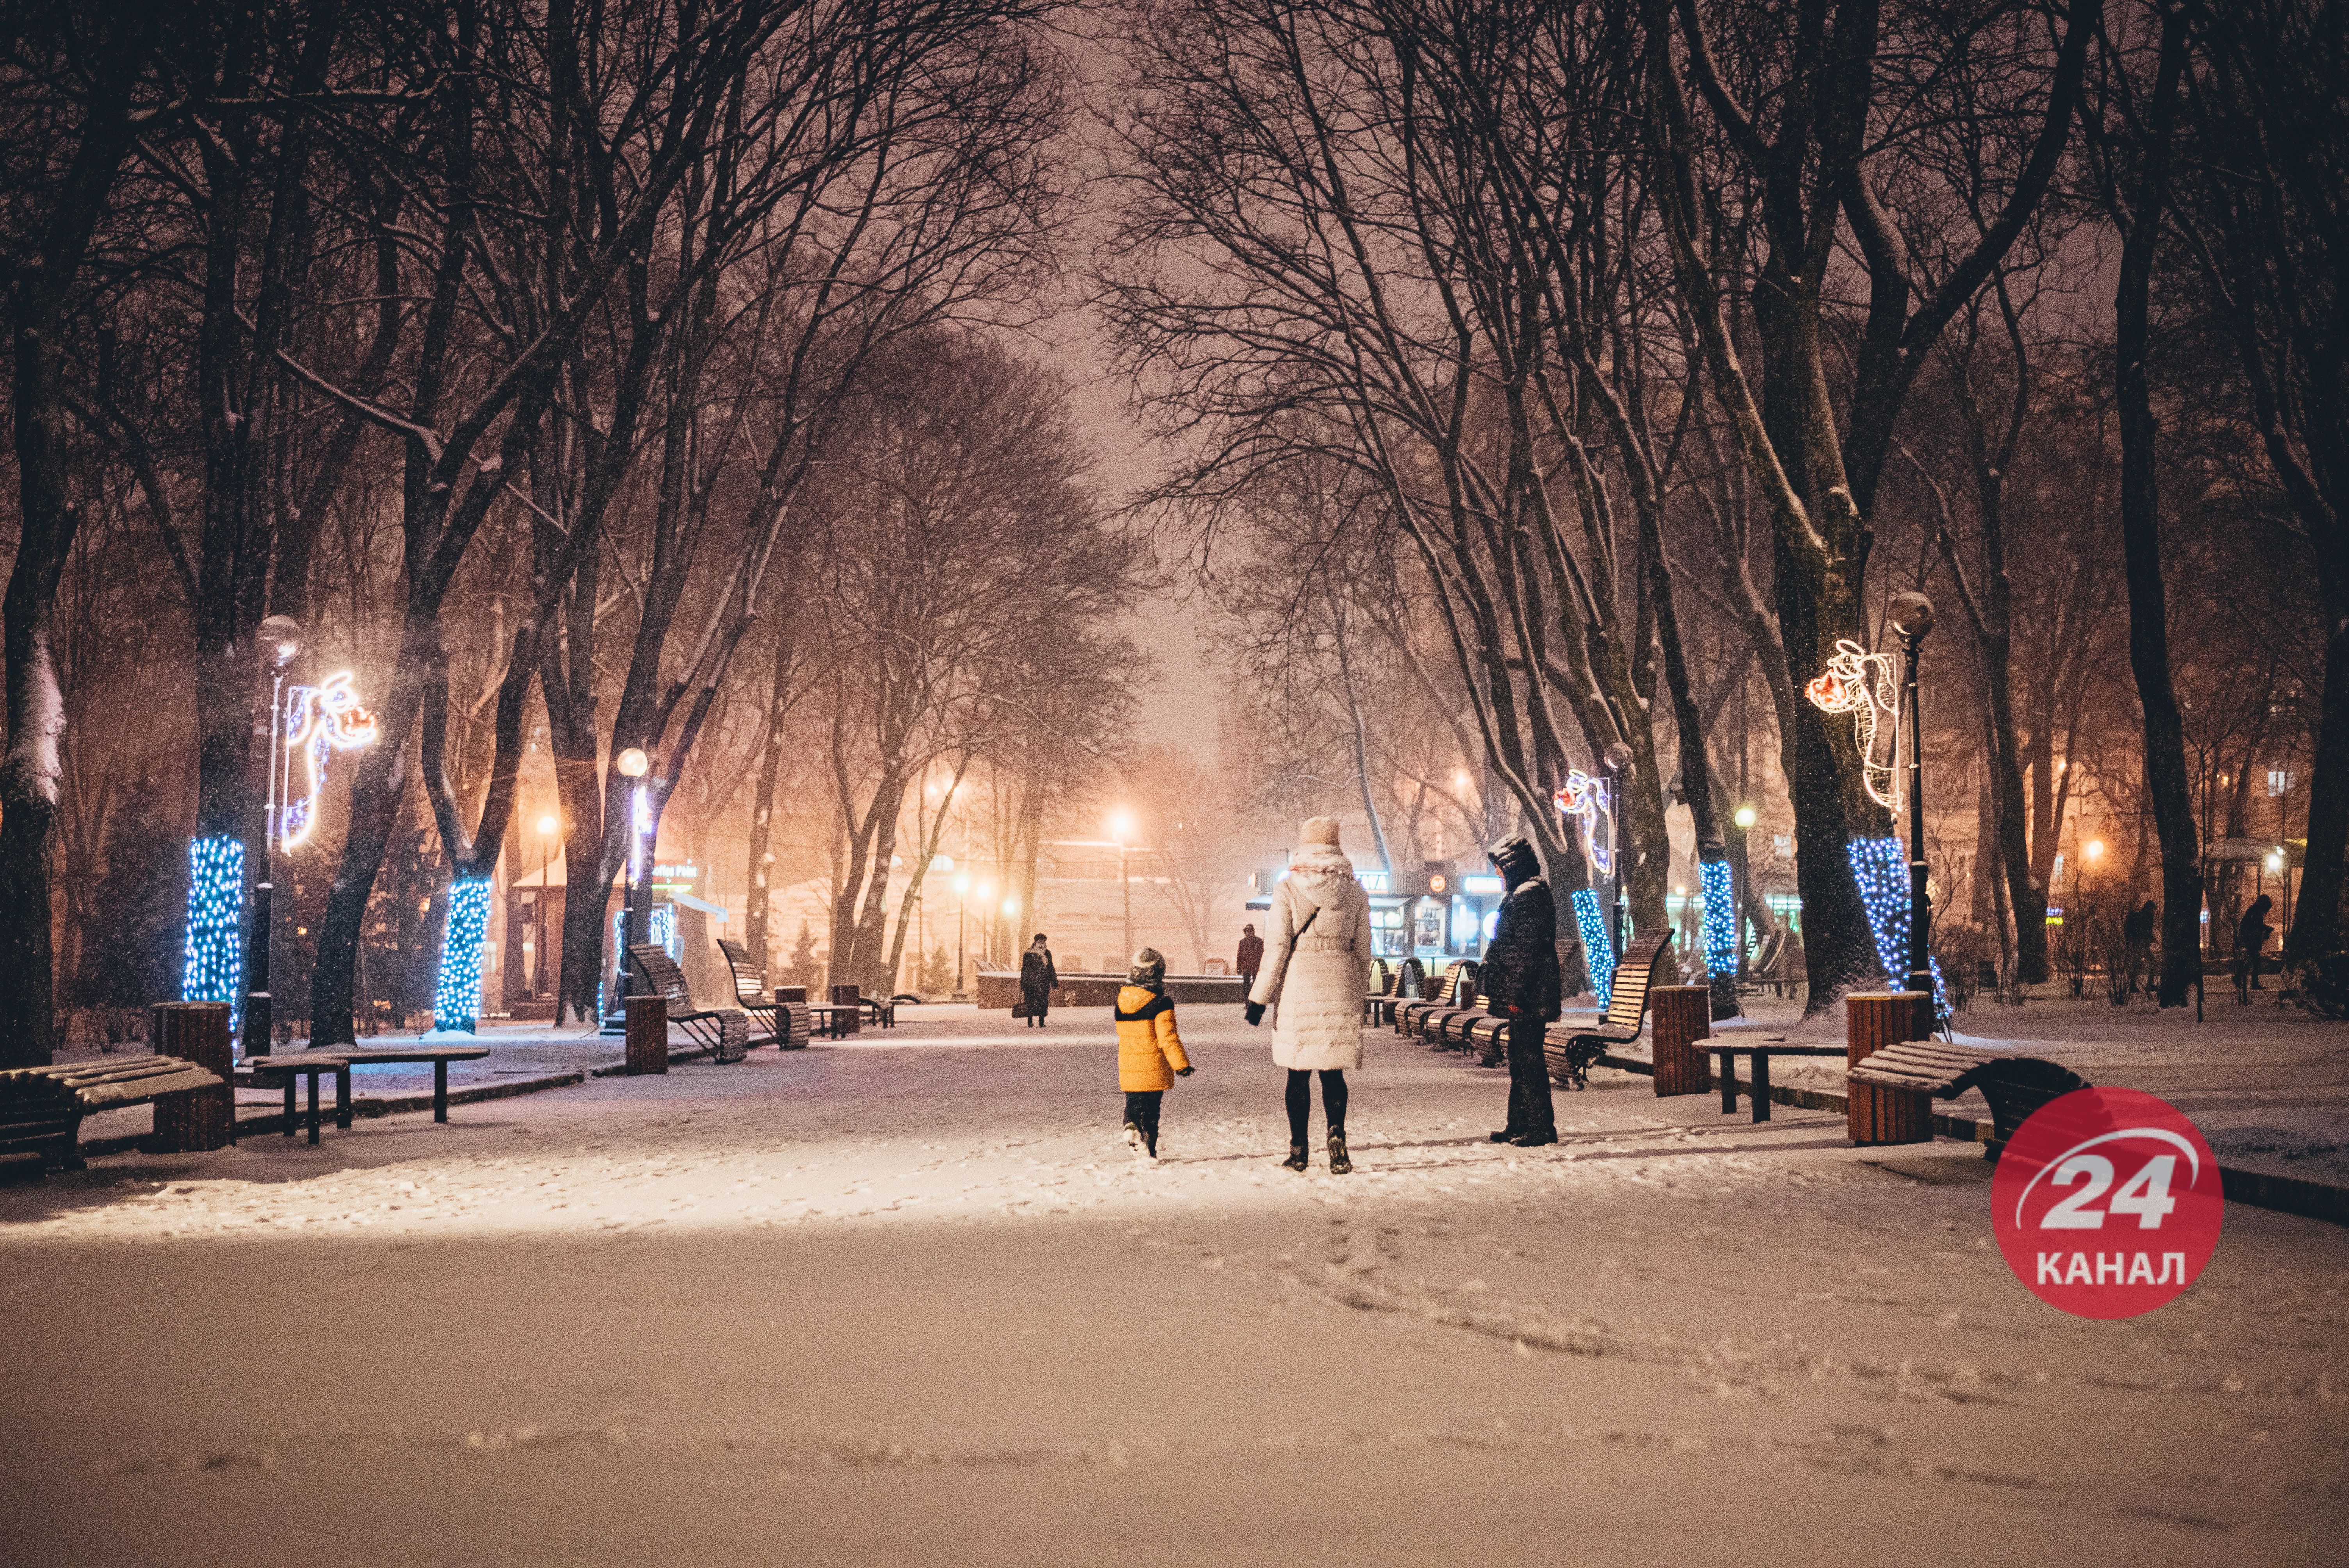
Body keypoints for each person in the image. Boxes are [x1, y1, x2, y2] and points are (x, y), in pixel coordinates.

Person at [1245, 816, 1369, 1174]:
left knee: (1297, 1075)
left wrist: (1259, 999)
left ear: (1304, 844)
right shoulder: (1356, 892)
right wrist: (1356, 996)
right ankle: (1337, 1135)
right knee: (1333, 1074)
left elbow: (1278, 948)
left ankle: (1299, 1150)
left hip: (1301, 986)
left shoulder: (1287, 889)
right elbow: (1364, 952)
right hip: (1341, 983)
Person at [1481, 836, 1562, 1147]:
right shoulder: (1523, 894)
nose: (1498, 874)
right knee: (1520, 1058)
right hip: (1527, 993)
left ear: (1514, 867)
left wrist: (1516, 997)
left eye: (1501, 868)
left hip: (1529, 995)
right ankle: (1519, 1123)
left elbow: (1525, 953)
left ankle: (1541, 1127)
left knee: (1529, 1060)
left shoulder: (1530, 896)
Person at [1114, 946, 1192, 1160]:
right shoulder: (1162, 1003)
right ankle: (1150, 1148)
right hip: (1154, 1067)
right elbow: (1168, 1038)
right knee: (1151, 1112)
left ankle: (1130, 1125)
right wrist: (1181, 1065)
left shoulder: (1121, 1003)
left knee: (1133, 1102)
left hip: (1130, 1065)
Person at [2234, 894, 2274, 1003]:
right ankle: (2251, 982)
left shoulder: (2254, 910)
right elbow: (2257, 926)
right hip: (2250, 938)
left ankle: (2240, 977)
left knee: (2252, 960)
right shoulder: (2256, 912)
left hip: (2249, 938)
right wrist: (2267, 928)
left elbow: (2255, 925)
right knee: (2255, 961)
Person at [1018, 932, 1058, 1028]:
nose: (1042, 943)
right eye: (1040, 941)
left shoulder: (1047, 953)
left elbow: (1050, 967)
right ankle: (1030, 1020)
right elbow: (1025, 968)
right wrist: (1024, 981)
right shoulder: (1028, 953)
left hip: (1044, 982)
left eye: (1043, 941)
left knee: (1043, 1002)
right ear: (1036, 942)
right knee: (1030, 1001)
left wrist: (1054, 980)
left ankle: (1042, 1021)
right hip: (1031, 982)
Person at [2122, 900, 2157, 995]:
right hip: (2142, 945)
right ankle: (2148, 984)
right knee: (2150, 964)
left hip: (2139, 944)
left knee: (2137, 965)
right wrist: (2149, 938)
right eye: (2153, 909)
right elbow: (2145, 931)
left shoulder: (2143, 917)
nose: (2154, 912)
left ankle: (2134, 986)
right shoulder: (2147, 918)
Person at [1235, 924, 1264, 989]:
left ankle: (1253, 999)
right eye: (1247, 930)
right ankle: (1247, 999)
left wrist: (1262, 966)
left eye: (1251, 930)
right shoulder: (1242, 942)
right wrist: (1239, 967)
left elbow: (1262, 954)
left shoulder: (1259, 941)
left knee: (1256, 983)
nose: (1249, 932)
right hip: (1246, 967)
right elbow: (1240, 956)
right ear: (1245, 932)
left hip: (1256, 966)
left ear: (1253, 931)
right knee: (1246, 984)